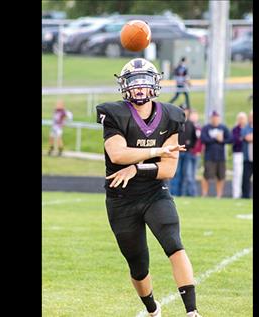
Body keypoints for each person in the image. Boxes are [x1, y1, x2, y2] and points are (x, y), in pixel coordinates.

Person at [96, 58, 202, 317]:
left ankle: (192, 312)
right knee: (138, 264)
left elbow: (168, 169)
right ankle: (153, 309)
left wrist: (138, 167)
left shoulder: (172, 115)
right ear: (124, 86)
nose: (140, 88)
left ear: (155, 84)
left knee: (174, 244)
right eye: (134, 82)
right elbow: (118, 154)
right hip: (121, 197)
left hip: (155, 191)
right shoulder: (114, 113)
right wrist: (155, 150)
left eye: (145, 81)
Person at [200, 111, 231, 198]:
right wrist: (215, 139)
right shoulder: (206, 128)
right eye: (213, 118)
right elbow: (203, 139)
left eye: (216, 118)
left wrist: (222, 140)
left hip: (221, 156)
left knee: (221, 176)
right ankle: (204, 193)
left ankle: (219, 194)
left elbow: (230, 139)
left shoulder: (223, 128)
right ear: (211, 118)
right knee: (206, 176)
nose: (215, 120)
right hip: (209, 156)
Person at [169, 104, 190, 196]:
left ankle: (182, 193)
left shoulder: (191, 124)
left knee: (185, 175)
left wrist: (189, 147)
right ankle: (173, 193)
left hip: (187, 152)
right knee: (174, 174)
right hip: (174, 151)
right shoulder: (173, 123)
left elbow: (195, 139)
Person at [182, 109, 201, 196]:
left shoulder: (197, 126)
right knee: (187, 175)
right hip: (188, 152)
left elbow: (198, 140)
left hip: (194, 154)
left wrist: (194, 148)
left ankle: (192, 194)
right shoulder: (187, 124)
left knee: (191, 175)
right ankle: (186, 193)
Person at [231, 112, 248, 199]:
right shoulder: (235, 129)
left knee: (245, 175)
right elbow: (235, 140)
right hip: (238, 153)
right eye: (240, 118)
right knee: (237, 174)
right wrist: (244, 138)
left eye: (243, 118)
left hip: (247, 155)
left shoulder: (248, 128)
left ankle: (245, 194)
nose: (241, 120)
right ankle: (236, 194)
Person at [241, 110, 253, 198]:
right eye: (250, 117)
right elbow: (246, 137)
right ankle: (245, 195)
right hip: (248, 158)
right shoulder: (246, 128)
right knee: (245, 178)